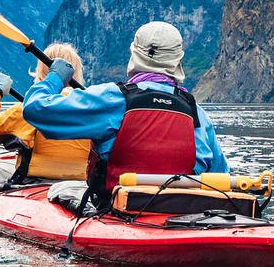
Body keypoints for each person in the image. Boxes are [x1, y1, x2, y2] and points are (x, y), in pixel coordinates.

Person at [20, 21, 230, 204]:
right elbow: (221, 179)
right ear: (178, 61)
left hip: (116, 210)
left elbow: (35, 109)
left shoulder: (111, 99)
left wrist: (55, 78)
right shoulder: (197, 114)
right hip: (182, 214)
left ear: (133, 54)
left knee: (62, 190)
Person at [0, 43, 94, 180]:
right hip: (83, 182)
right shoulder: (94, 110)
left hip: (33, 180)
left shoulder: (28, 110)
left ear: (41, 72)